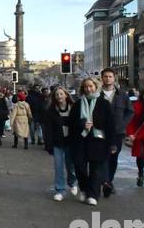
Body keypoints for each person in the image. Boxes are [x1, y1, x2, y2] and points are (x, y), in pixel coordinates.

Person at [69, 77, 117, 206]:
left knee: (96, 169)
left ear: (96, 87)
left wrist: (112, 143)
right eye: (85, 87)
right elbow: (71, 122)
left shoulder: (103, 103)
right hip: (81, 140)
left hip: (98, 141)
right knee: (80, 167)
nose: (88, 89)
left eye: (90, 86)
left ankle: (93, 194)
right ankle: (84, 189)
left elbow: (110, 124)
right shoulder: (78, 104)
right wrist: (82, 124)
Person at [99, 68, 133, 196]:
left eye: (110, 76)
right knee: (103, 157)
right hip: (101, 132)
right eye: (105, 76)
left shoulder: (122, 95)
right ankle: (105, 181)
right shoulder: (98, 94)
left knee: (113, 157)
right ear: (102, 78)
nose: (108, 79)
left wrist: (122, 124)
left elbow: (130, 112)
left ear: (114, 78)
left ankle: (109, 180)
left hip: (117, 133)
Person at [43, 85, 78, 200]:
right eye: (57, 94)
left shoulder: (74, 108)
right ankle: (60, 189)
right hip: (57, 142)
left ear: (66, 95)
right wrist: (48, 144)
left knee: (70, 165)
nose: (59, 96)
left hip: (71, 141)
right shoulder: (51, 110)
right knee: (58, 166)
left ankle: (72, 182)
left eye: (61, 94)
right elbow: (47, 129)